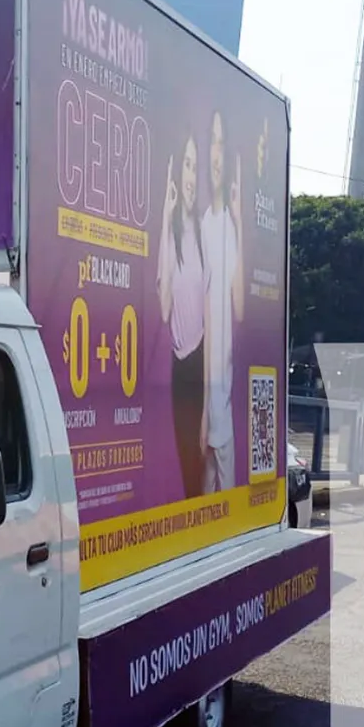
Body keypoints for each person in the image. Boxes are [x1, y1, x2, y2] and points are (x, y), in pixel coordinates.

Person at [197, 109, 246, 493]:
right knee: (206, 492)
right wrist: (202, 408)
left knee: (221, 493)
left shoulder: (227, 223)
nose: (216, 154)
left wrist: (241, 221)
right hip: (209, 395)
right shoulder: (202, 224)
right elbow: (204, 319)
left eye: (222, 143)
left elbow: (238, 307)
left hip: (222, 397)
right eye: (212, 142)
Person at [157, 132, 207, 499]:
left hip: (202, 361)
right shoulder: (172, 236)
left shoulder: (203, 233)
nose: (191, 176)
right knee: (187, 461)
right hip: (180, 366)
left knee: (200, 459)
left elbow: (210, 313)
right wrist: (164, 216)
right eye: (186, 165)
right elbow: (163, 308)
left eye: (195, 167)